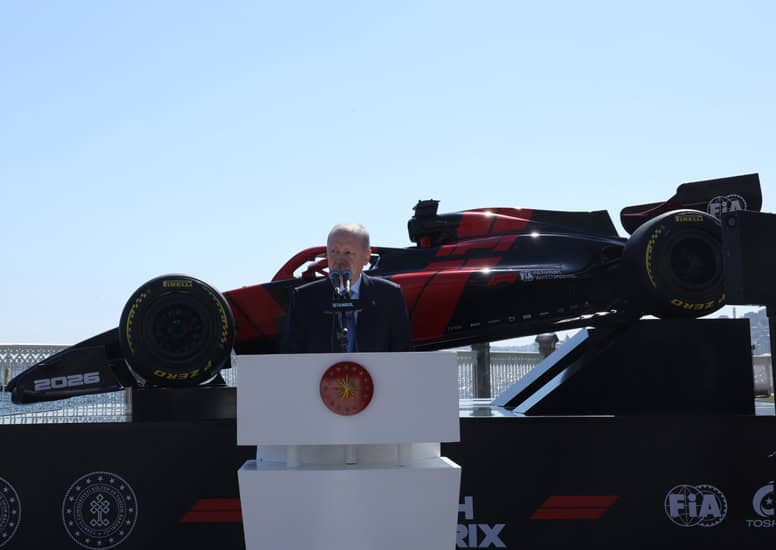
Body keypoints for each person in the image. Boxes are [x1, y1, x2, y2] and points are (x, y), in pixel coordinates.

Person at [282, 223, 412, 353]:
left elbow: (403, 353)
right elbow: (291, 356)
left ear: (366, 256)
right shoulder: (304, 298)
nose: (339, 260)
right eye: (334, 252)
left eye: (348, 253)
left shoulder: (388, 296)